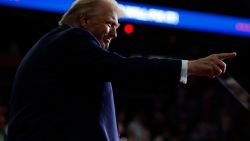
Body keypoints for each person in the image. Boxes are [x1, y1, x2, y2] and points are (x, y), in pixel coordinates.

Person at [6, 0, 236, 141]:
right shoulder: (72, 39)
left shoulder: (61, 47)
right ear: (84, 19)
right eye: (110, 24)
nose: (115, 34)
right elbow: (124, 68)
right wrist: (190, 66)